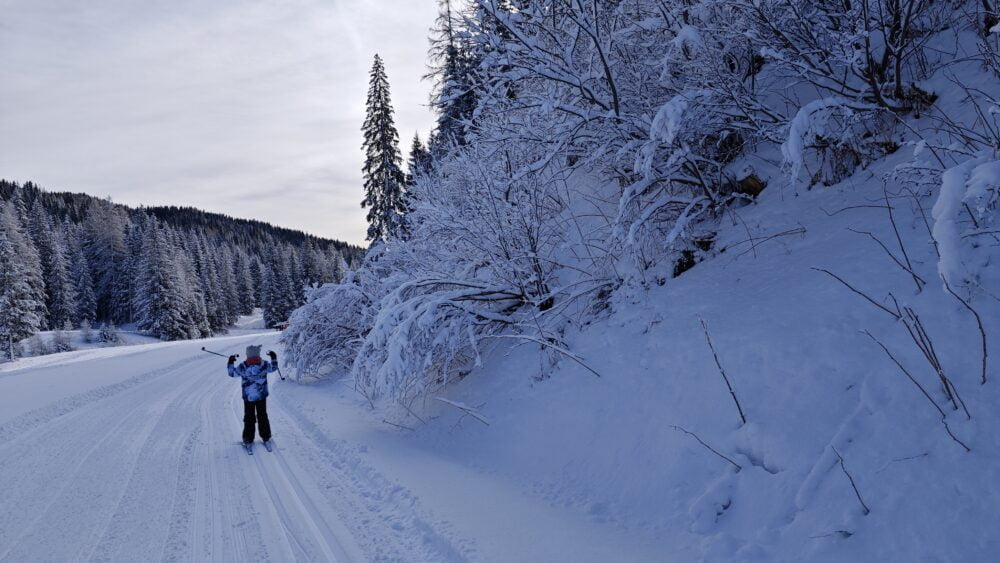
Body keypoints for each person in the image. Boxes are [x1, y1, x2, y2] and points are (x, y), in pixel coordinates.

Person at [228, 345, 279, 447]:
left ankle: (248, 439)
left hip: (248, 397)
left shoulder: (243, 366)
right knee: (262, 415)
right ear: (258, 354)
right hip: (261, 396)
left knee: (249, 417)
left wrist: (230, 362)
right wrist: (274, 357)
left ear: (248, 354)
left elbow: (232, 373)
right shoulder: (264, 364)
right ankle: (266, 436)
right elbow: (274, 367)